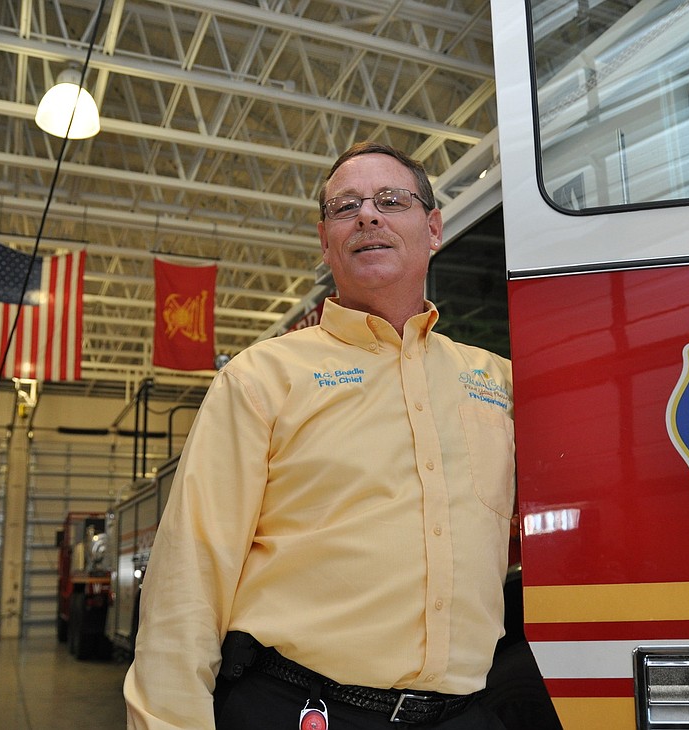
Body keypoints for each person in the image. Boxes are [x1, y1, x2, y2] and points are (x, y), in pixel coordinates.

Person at [123, 141, 515, 729]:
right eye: (345, 207)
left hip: (467, 711)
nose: (367, 215)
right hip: (304, 709)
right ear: (326, 241)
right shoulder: (261, 378)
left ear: (432, 228)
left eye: (391, 200)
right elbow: (189, 574)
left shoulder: (497, 381)